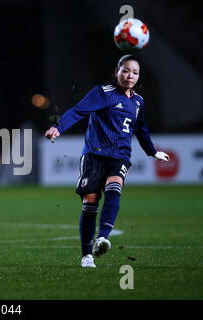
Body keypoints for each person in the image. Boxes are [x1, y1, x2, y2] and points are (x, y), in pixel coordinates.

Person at [44, 54, 169, 268]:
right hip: (94, 155)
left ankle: (102, 237)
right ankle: (86, 255)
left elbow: (141, 128)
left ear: (139, 77)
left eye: (135, 72)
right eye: (126, 70)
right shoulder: (103, 93)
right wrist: (58, 127)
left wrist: (152, 151)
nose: (130, 75)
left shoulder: (138, 101)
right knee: (90, 202)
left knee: (114, 189)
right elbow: (77, 111)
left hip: (119, 156)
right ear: (117, 72)